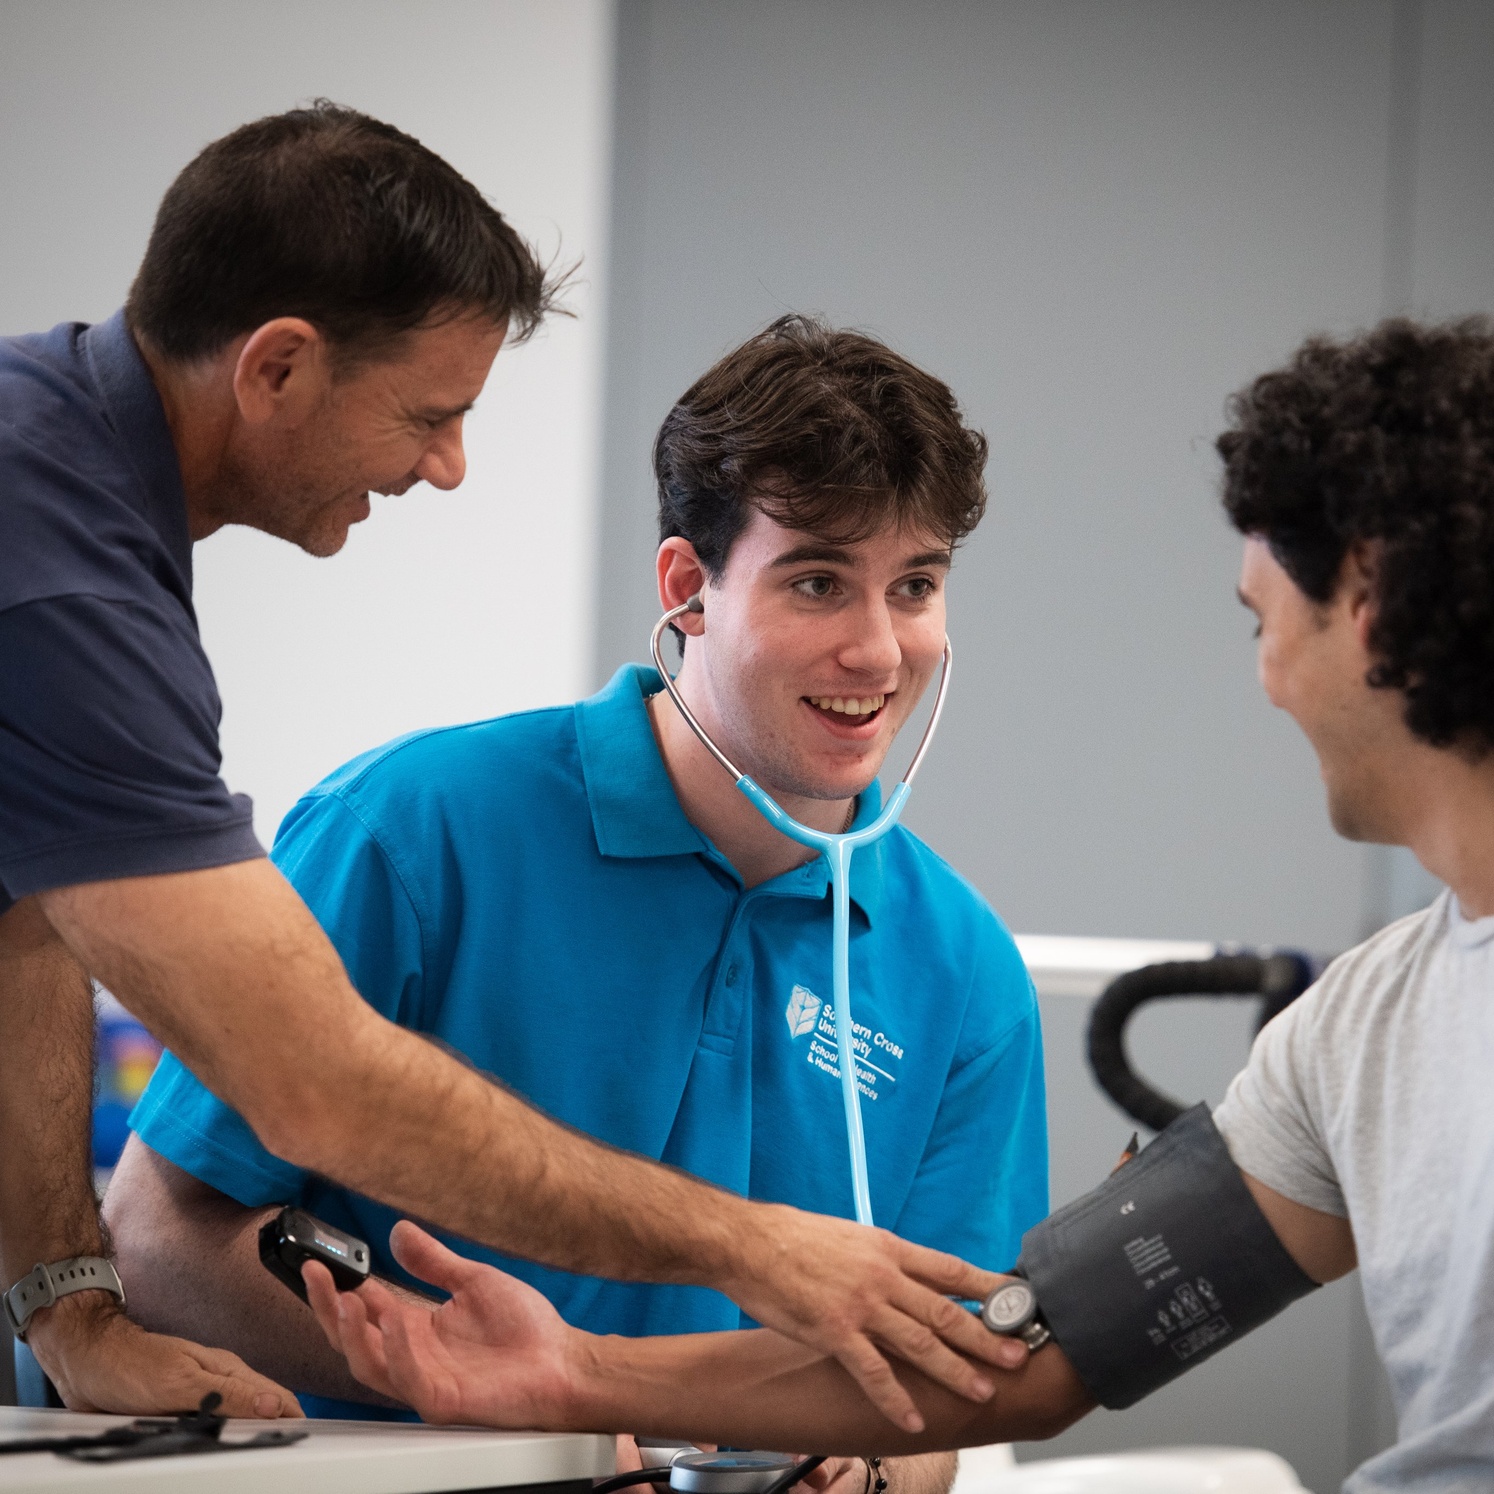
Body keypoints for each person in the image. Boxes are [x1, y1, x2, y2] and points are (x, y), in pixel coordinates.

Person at [302, 316, 1494, 1490]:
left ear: (1372, 603)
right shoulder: (1361, 1034)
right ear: (689, 588)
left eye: (1262, 619)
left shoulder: (963, 969)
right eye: (819, 581)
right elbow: (1030, 1352)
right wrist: (577, 1374)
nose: (1266, 675)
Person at [0, 103, 1017, 1427]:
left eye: (917, 584)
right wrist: (748, 1246)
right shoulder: (383, 803)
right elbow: (309, 1086)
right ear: (278, 368)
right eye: (429, 414)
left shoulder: (962, 967)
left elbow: (25, 920)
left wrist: (60, 1301)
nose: (448, 466)